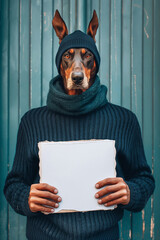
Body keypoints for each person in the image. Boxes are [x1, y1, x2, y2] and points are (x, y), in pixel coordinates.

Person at [4, 10, 155, 240]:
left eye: (85, 57)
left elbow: (144, 178)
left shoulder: (123, 120)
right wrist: (26, 198)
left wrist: (130, 192)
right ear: (60, 65)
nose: (77, 68)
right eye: (68, 57)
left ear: (93, 65)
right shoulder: (32, 122)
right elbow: (13, 184)